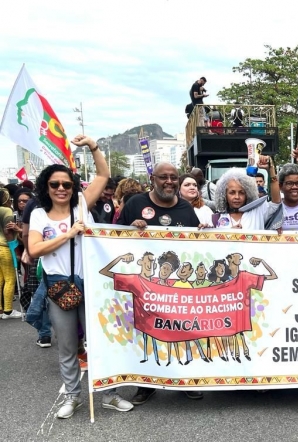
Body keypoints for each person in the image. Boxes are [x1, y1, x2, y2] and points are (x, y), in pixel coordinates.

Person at [28, 135, 133, 419]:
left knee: (99, 341)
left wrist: (93, 146)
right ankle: (72, 396)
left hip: (90, 284)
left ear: (73, 187)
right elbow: (34, 249)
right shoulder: (39, 215)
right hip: (59, 287)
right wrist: (68, 234)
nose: (61, 188)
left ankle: (109, 395)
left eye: (66, 184)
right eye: (55, 184)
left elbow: (102, 175)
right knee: (67, 346)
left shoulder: (81, 207)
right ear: (46, 188)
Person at [116, 162, 203, 404]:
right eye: (164, 177)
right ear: (153, 179)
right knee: (148, 333)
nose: (169, 182)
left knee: (181, 332)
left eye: (174, 178)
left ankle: (185, 380)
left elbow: (198, 244)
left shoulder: (186, 208)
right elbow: (112, 238)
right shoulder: (135, 203)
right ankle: (146, 384)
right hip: (145, 286)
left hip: (175, 288)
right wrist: (129, 228)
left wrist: (205, 231)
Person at [212, 157, 281, 230]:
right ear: (224, 194)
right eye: (232, 193)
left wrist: (270, 169)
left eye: (242, 193)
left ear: (248, 193)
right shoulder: (218, 218)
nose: (237, 197)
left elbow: (276, 202)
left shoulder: (258, 212)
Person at [0, 188, 20, 318]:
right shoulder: (6, 210)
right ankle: (8, 310)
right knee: (10, 279)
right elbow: (8, 231)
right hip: (5, 247)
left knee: (0, 279)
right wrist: (14, 247)